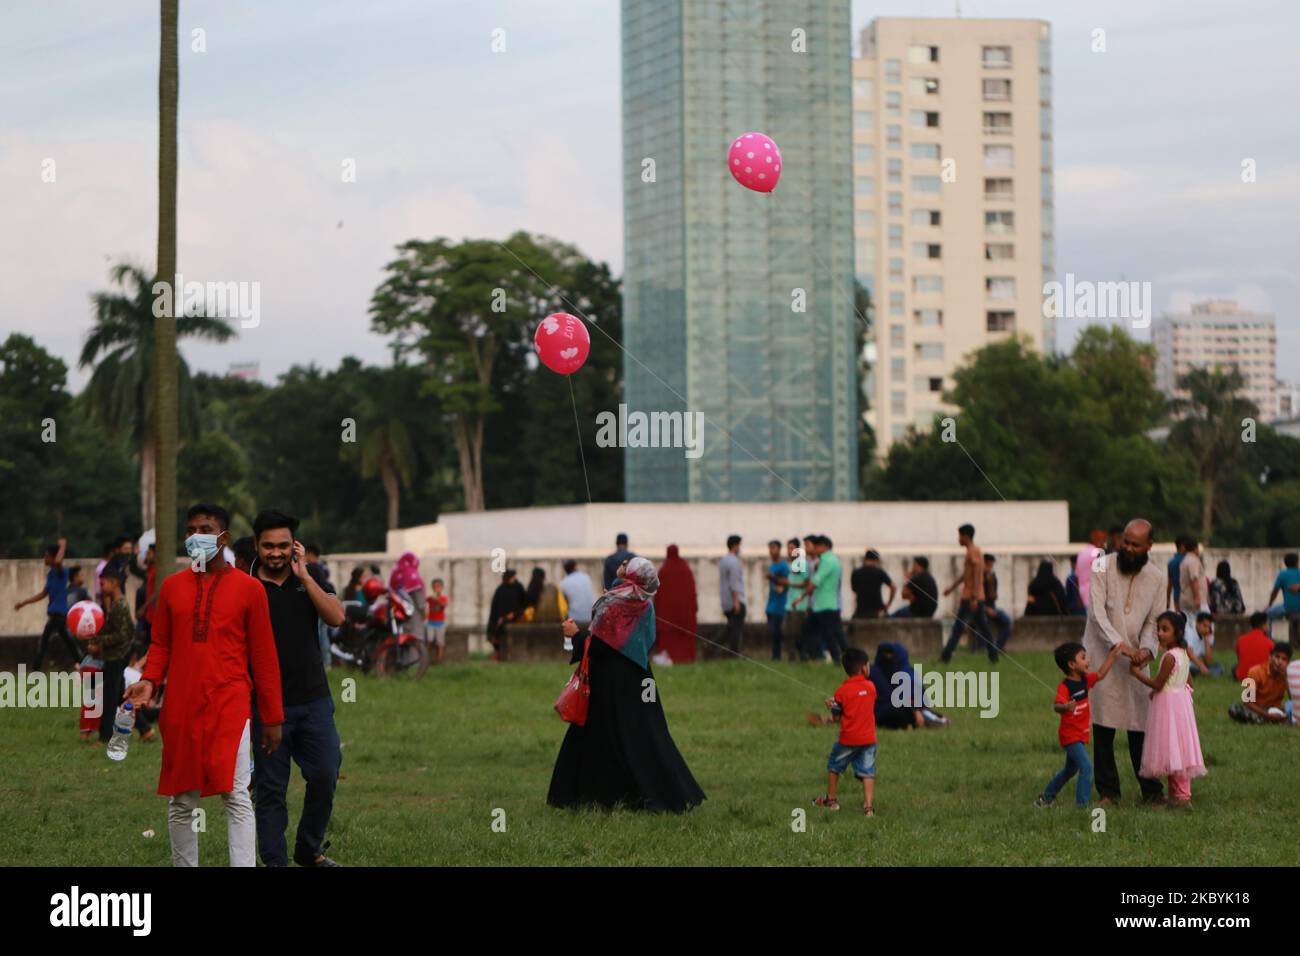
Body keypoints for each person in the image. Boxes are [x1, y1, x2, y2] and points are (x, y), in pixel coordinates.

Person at [124, 503, 284, 868]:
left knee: (236, 794)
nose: (197, 536)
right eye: (191, 529)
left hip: (230, 704)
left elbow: (264, 657)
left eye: (206, 528)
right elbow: (161, 645)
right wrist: (149, 682)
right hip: (180, 705)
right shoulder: (171, 588)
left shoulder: (250, 590)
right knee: (182, 800)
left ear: (223, 537)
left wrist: (273, 717)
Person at [548, 557, 705, 812]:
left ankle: (595, 796)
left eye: (628, 562)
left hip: (610, 681)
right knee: (646, 734)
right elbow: (644, 641)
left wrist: (576, 635)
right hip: (642, 679)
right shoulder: (644, 603)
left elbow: (599, 645)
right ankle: (658, 793)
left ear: (631, 575)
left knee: (601, 736)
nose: (623, 561)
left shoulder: (613, 603)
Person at [248, 509, 346, 868]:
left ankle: (308, 849)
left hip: (313, 699)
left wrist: (304, 574)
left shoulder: (311, 577)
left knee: (325, 772)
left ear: (295, 546)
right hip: (265, 705)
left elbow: (336, 617)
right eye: (268, 545)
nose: (276, 552)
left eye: (284, 545)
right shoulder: (245, 586)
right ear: (257, 545)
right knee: (271, 790)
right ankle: (275, 862)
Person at [1082, 518, 1166, 806]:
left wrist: (1146, 650)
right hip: (1101, 655)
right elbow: (1097, 615)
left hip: (1136, 662)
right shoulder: (1101, 566)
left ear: (1149, 546)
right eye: (1125, 541)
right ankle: (1108, 792)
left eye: (1135, 544)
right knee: (1103, 725)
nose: (1127, 548)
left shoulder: (1157, 577)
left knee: (1140, 724)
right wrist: (1121, 647)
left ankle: (1151, 791)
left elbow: (1154, 621)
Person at [1034, 640, 1125, 809]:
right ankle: (1082, 807)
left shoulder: (1085, 680)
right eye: (1083, 658)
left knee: (1070, 770)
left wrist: (1112, 656)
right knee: (1087, 768)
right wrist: (1065, 707)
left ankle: (1046, 798)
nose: (1087, 661)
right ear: (1072, 664)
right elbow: (1056, 706)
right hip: (1070, 737)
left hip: (1081, 735)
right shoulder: (1065, 686)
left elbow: (1100, 674)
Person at [1129, 611, 1207, 806]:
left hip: (1169, 708)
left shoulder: (1170, 657)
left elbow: (1158, 684)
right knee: (1178, 747)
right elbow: (1189, 681)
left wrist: (1136, 673)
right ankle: (1177, 794)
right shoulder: (1183, 654)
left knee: (1173, 747)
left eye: (1165, 629)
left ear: (1178, 632)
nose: (1160, 633)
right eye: (1158, 629)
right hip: (1180, 704)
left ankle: (1181, 796)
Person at [812, 648, 878, 816]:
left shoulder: (841, 691)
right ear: (864, 668)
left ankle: (832, 800)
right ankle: (868, 807)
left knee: (834, 766)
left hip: (848, 740)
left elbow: (837, 718)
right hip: (868, 739)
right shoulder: (871, 687)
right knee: (867, 771)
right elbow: (862, 703)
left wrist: (832, 706)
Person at [15, 538, 83, 672]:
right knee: (69, 643)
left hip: (58, 615)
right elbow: (43, 594)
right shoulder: (51, 574)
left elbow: (58, 561)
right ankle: (82, 662)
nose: (44, 558)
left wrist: (63, 546)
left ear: (53, 557)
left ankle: (35, 670)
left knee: (44, 641)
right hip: (56, 615)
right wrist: (24, 603)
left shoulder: (61, 572)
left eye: (46, 555)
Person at [95, 571, 138, 745]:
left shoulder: (120, 605)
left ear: (114, 583)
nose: (101, 587)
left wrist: (100, 642)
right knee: (120, 695)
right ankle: (145, 729)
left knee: (109, 698)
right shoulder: (114, 604)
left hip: (117, 656)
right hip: (114, 655)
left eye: (104, 583)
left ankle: (104, 737)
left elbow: (121, 635)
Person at [868, 641, 948, 730]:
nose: (888, 657)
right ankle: (922, 720)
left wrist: (916, 709)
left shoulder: (901, 671)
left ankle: (930, 718)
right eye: (886, 654)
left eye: (890, 654)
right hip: (889, 712)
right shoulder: (876, 673)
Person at [941, 524, 991, 663]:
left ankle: (946, 656)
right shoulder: (974, 550)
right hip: (975, 596)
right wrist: (951, 588)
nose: (958, 539)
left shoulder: (972, 552)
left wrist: (974, 596)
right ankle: (993, 655)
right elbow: (967, 575)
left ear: (966, 536)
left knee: (958, 628)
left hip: (970, 597)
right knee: (984, 627)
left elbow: (976, 573)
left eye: (960, 536)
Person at [651, 547, 698, 663]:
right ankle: (686, 658)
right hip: (684, 615)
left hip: (668, 616)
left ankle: (669, 658)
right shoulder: (686, 569)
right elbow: (692, 592)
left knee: (670, 639)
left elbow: (658, 595)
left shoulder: (663, 571)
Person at [1228, 644, 1294, 724]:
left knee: (1290, 708)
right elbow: (1247, 702)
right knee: (1234, 709)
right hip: (1257, 709)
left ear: (1288, 663)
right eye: (1277, 657)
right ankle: (1272, 720)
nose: (1279, 662)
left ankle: (1274, 720)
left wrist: (1287, 678)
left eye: (1284, 659)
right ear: (1270, 657)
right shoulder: (1255, 671)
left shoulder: (1286, 675)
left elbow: (1293, 700)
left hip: (1276, 709)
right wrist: (1268, 716)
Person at [806, 535, 846, 663]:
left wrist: (805, 593)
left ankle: (838, 658)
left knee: (830, 634)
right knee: (833, 633)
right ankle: (840, 658)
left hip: (825, 603)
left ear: (825, 547)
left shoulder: (826, 561)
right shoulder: (832, 560)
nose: (816, 549)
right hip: (826, 603)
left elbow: (816, 580)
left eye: (817, 546)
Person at [486, 569, 526, 661]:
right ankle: (497, 651)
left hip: (516, 616)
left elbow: (523, 604)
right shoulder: (500, 589)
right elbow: (495, 607)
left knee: (501, 626)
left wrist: (514, 613)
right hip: (501, 617)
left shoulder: (518, 588)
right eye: (512, 577)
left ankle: (499, 654)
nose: (514, 579)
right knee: (492, 628)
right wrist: (499, 618)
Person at [389, 551, 427, 643]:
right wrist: (423, 611)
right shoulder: (413, 575)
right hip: (414, 615)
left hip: (397, 615)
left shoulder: (395, 573)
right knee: (414, 640)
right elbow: (419, 599)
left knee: (400, 639)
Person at [783, 538, 812, 658]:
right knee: (787, 632)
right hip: (789, 603)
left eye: (791, 548)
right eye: (788, 548)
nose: (789, 551)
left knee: (796, 633)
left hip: (799, 604)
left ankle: (802, 656)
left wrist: (788, 584)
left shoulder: (802, 563)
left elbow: (806, 583)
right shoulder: (790, 565)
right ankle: (792, 657)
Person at [719, 534, 746, 655]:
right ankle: (733, 653)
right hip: (735, 600)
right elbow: (733, 584)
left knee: (730, 628)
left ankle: (713, 649)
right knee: (735, 630)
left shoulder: (723, 561)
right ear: (735, 546)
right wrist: (736, 601)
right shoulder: (734, 562)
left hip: (725, 600)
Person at [982, 554, 1012, 661]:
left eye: (991, 565)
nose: (990, 567)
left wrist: (991, 583)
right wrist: (986, 609)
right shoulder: (978, 577)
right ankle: (981, 648)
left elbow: (993, 597)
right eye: (988, 565)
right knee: (983, 621)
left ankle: (997, 647)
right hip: (980, 608)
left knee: (1006, 620)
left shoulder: (992, 577)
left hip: (991, 607)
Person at [764, 540, 791, 659]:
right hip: (771, 604)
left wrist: (773, 578)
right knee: (772, 633)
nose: (771, 550)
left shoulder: (784, 566)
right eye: (770, 548)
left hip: (780, 605)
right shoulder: (772, 566)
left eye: (774, 548)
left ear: (779, 549)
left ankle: (778, 656)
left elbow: (786, 583)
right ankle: (775, 656)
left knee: (778, 633)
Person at [1266, 553, 1300, 643]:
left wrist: (1269, 604)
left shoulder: (1282, 574)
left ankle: (1269, 640)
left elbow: (1275, 592)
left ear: (1285, 564)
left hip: (1288, 608)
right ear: (1297, 563)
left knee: (1266, 615)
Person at [850, 550, 894, 619]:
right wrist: (888, 604)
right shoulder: (879, 572)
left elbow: (854, 589)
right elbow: (893, 587)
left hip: (861, 610)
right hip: (877, 610)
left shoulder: (856, 572)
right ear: (877, 560)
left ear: (865, 559)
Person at [1233, 612, 1275, 682]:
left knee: (1234, 667)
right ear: (1263, 625)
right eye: (1267, 624)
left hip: (1242, 676)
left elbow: (1239, 658)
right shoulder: (1270, 643)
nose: (1268, 627)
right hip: (1262, 677)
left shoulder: (1241, 640)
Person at [1074, 529, 1107, 611]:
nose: (1104, 545)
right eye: (1104, 542)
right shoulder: (1098, 553)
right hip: (1095, 596)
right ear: (1098, 541)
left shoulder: (1082, 553)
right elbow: (1102, 576)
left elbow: (1076, 577)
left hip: (1083, 595)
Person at [558, 560, 595, 628]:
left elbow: (564, 604)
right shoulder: (586, 577)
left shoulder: (563, 583)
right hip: (590, 617)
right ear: (575, 567)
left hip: (574, 619)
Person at [425, 578, 449, 663]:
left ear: (442, 588)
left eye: (438, 586)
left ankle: (439, 659)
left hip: (440, 623)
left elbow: (444, 605)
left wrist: (437, 600)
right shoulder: (430, 598)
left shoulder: (444, 598)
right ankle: (425, 658)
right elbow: (423, 601)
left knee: (440, 643)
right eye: (434, 587)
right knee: (429, 640)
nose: (436, 588)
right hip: (430, 623)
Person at [1165, 535, 1187, 611]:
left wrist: (1167, 599)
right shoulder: (1187, 561)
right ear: (1182, 546)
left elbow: (1169, 584)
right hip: (1188, 597)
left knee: (1180, 618)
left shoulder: (1171, 562)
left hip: (1176, 596)